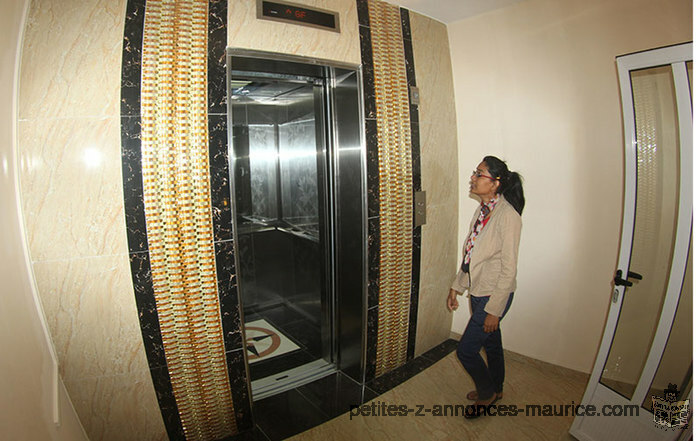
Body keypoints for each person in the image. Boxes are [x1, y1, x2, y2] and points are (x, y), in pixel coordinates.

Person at [446, 155, 524, 419]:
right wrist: (456, 286)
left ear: (495, 183)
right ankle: (498, 389)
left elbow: (509, 268)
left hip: (494, 294)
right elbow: (471, 253)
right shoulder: (483, 210)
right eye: (475, 172)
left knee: (466, 350)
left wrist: (494, 310)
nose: (473, 177)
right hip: (479, 290)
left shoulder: (508, 216)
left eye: (479, 174)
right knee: (491, 344)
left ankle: (486, 393)